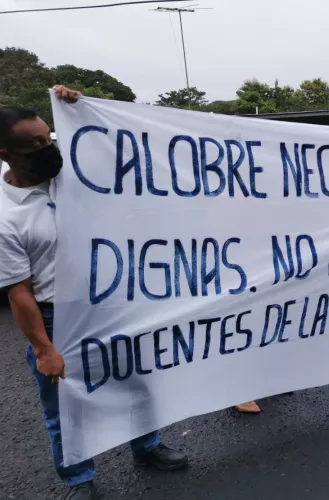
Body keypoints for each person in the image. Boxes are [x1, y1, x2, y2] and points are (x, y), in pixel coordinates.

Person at [0, 87, 188, 500]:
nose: (48, 148)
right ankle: (79, 479)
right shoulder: (6, 217)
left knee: (138, 385)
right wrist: (44, 350)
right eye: (35, 145)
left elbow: (117, 148)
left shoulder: (75, 173)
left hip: (110, 303)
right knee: (66, 407)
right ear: (5, 153)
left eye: (48, 137)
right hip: (56, 317)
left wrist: (80, 108)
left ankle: (148, 446)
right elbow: (19, 292)